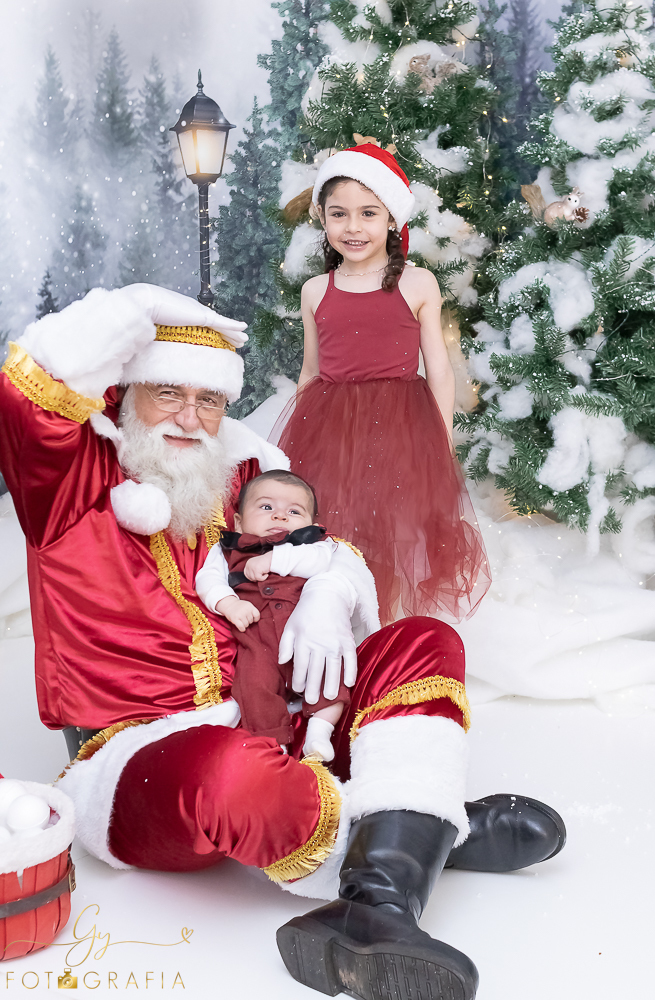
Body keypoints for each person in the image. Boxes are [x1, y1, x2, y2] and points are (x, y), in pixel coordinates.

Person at [0, 283, 564, 1000]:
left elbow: (322, 546)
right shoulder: (72, 481)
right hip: (138, 755)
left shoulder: (234, 475)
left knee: (423, 639)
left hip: (278, 711)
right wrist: (125, 305)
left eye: (208, 401)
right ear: (125, 391)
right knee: (235, 775)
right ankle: (420, 830)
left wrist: (329, 593)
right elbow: (26, 397)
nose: (189, 415)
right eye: (166, 391)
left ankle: (379, 897)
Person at [271, 142, 491, 625]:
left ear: (391, 219)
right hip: (331, 425)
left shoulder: (417, 283)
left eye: (368, 213)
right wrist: (298, 439)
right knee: (340, 527)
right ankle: (342, 627)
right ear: (323, 221)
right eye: (339, 214)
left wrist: (441, 434)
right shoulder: (315, 290)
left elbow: (438, 367)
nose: (353, 227)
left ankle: (389, 629)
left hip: (401, 423)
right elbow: (311, 370)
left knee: (394, 527)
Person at [195, 469, 354, 760]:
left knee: (333, 675)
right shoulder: (227, 550)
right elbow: (207, 580)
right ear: (240, 521)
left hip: (307, 635)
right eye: (266, 507)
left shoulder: (312, 546)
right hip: (257, 640)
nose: (280, 517)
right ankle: (272, 745)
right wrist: (230, 604)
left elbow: (318, 562)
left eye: (294, 511)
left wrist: (275, 558)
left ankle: (320, 731)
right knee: (253, 687)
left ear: (311, 524)